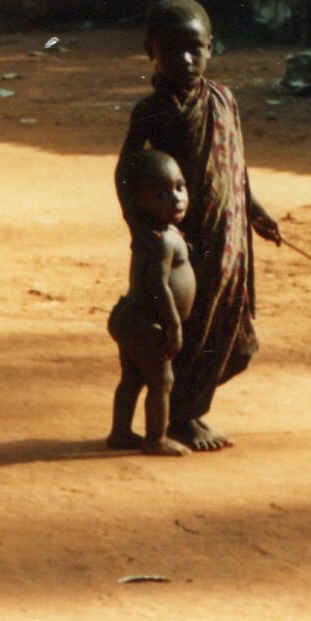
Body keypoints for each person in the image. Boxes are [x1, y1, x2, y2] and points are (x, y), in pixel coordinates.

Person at [118, 0, 280, 451]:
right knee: (186, 331)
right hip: (185, 247)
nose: (185, 60)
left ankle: (191, 411)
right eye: (170, 50)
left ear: (211, 46)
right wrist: (139, 228)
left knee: (232, 333)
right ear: (152, 51)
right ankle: (181, 417)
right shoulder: (152, 109)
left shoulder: (224, 100)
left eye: (195, 48)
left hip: (230, 241)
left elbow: (234, 166)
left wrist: (255, 209)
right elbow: (126, 169)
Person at [106, 149, 195, 457]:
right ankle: (155, 438)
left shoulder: (164, 233)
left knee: (132, 377)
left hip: (129, 317)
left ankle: (120, 432)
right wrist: (172, 324)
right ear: (140, 201)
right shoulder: (161, 240)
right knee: (162, 379)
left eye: (180, 187)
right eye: (161, 193)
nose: (176, 198)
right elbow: (158, 286)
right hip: (145, 322)